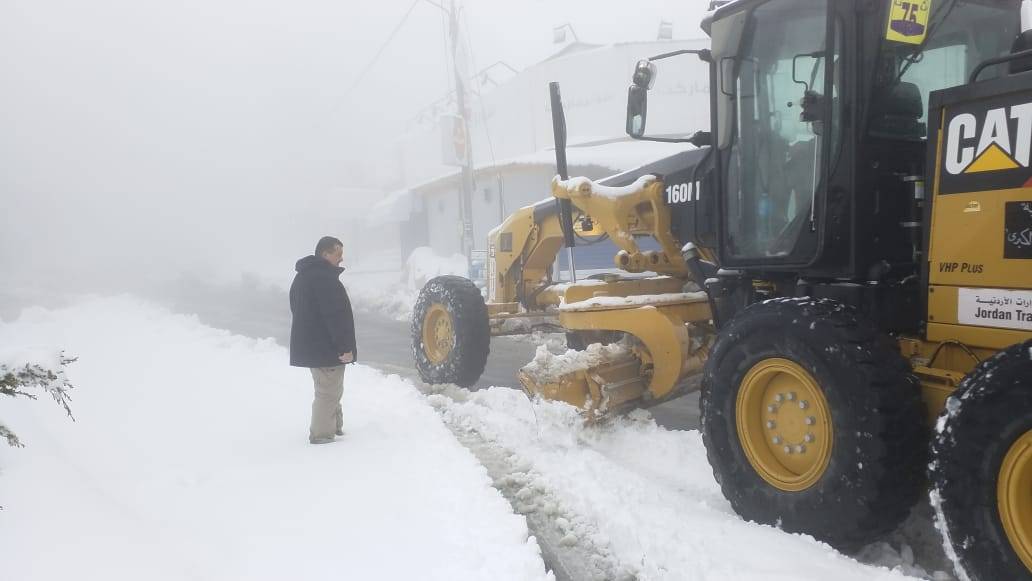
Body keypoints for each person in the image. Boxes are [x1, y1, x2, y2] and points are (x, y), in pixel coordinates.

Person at [289, 236, 357, 445]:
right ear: (325, 254)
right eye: (338, 254)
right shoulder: (324, 279)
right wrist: (344, 347)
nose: (341, 258)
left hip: (314, 347)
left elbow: (295, 308)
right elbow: (335, 317)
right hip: (326, 348)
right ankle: (322, 436)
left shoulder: (303, 277)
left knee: (329, 389)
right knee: (328, 392)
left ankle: (333, 427)